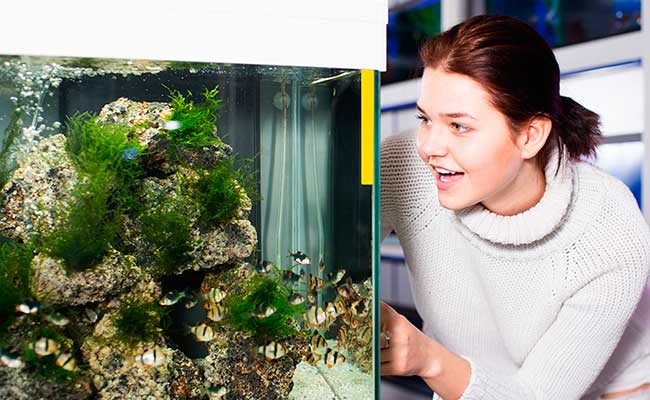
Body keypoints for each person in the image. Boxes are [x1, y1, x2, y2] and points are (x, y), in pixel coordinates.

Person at [379, 14, 650, 400]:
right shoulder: (405, 165)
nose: (430, 147)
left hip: (605, 390)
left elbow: (536, 395)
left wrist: (427, 358)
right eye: (425, 118)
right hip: (466, 380)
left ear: (530, 135)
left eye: (459, 126)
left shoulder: (610, 231)